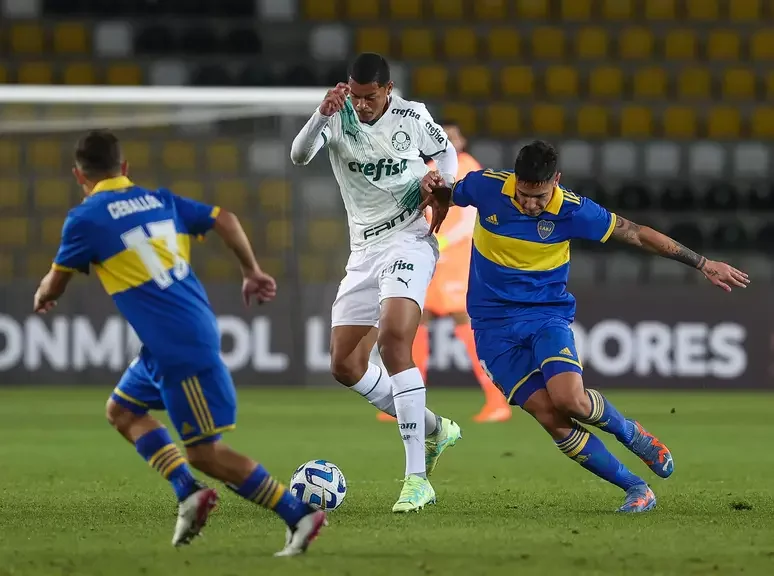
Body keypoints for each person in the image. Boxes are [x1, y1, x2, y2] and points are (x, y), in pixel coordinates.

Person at [33, 130, 326, 555]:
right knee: (122, 410)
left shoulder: (85, 218)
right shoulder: (161, 199)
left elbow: (55, 285)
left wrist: (44, 294)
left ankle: (298, 513)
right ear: (125, 168)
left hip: (178, 345)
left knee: (206, 452)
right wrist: (251, 271)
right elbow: (225, 217)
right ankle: (188, 492)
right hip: (169, 341)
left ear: (79, 174)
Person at [419, 140, 749, 512]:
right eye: (525, 195)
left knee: (570, 400)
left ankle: (631, 433)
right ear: (514, 180)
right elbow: (442, 190)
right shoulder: (485, 186)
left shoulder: (574, 210)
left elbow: (637, 233)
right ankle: (636, 488)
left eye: (540, 196)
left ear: (556, 180)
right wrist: (434, 194)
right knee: (549, 416)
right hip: (491, 326)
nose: (530, 204)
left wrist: (703, 263)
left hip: (546, 316)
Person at [290, 52, 462, 513]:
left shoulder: (412, 115)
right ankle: (434, 430)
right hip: (363, 249)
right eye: (356, 95)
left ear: (388, 90)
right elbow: (299, 154)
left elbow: (445, 152)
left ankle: (416, 479)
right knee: (345, 364)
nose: (362, 105)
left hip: (409, 239)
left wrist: (439, 178)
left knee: (394, 340)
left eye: (369, 97)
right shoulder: (337, 114)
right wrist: (319, 115)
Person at [377, 122, 511, 424]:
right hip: (432, 256)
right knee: (416, 319)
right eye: (445, 135)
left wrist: (445, 241)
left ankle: (497, 400)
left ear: (463, 139)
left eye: (455, 135)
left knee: (464, 322)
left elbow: (471, 216)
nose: (450, 140)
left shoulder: (467, 167)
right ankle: (406, 399)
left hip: (456, 258)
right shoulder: (429, 167)